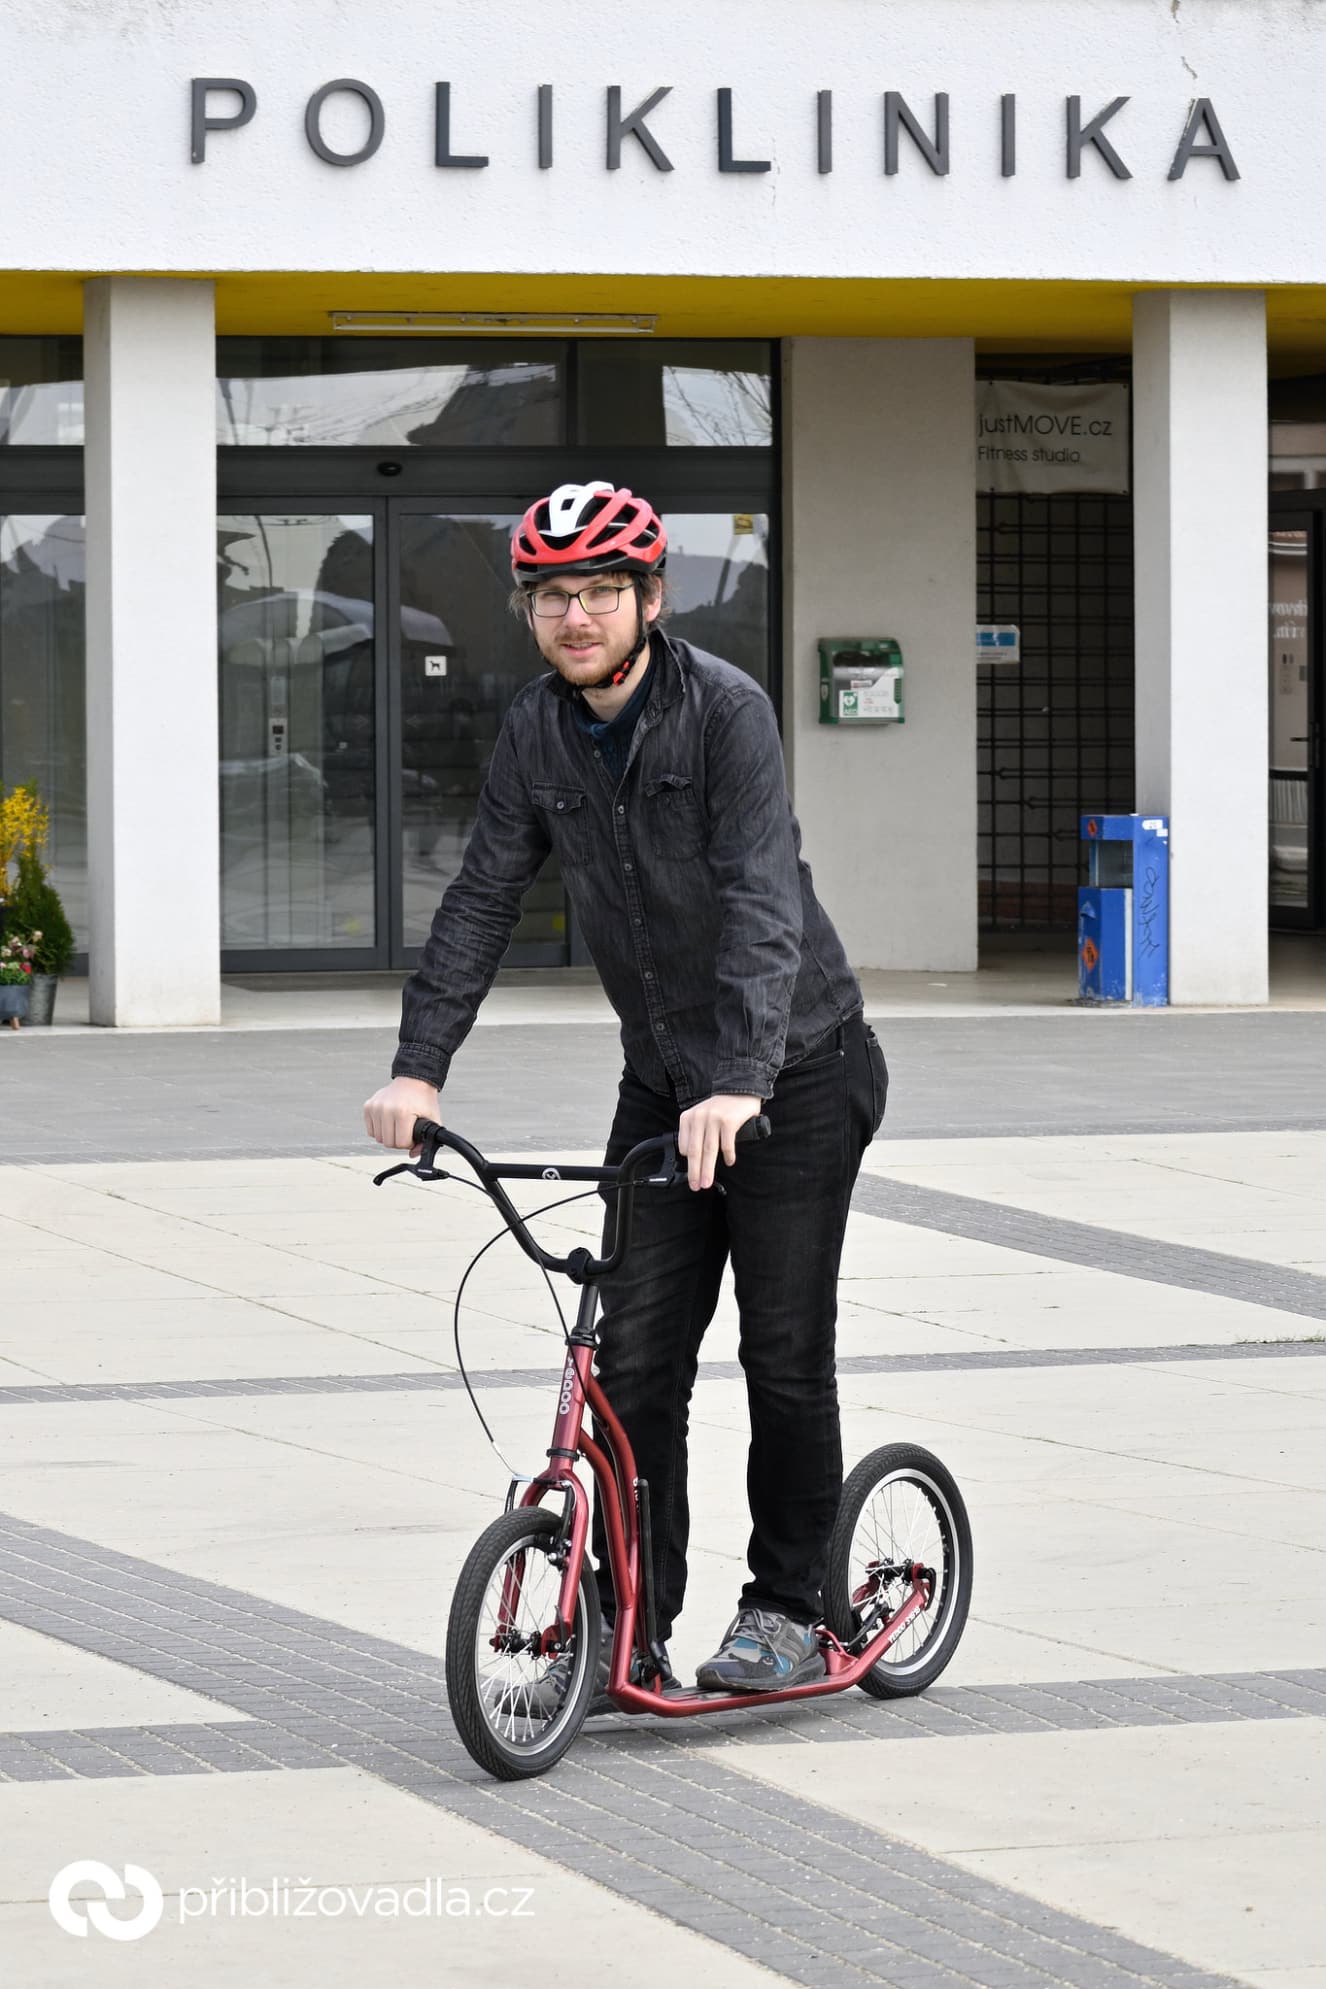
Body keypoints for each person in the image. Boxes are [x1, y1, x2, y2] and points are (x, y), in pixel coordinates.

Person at [363, 481, 887, 1694]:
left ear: (650, 599)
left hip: (797, 1071)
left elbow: (762, 901)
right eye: (553, 595)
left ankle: (791, 1607)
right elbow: (483, 898)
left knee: (783, 1353)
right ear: (530, 613)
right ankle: (627, 1622)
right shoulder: (537, 729)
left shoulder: (727, 714)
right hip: (665, 1083)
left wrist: (743, 1081)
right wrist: (418, 1067)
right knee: (635, 1359)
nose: (577, 614)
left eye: (602, 590)